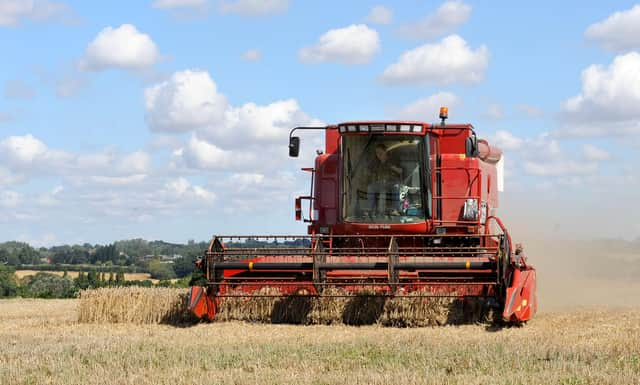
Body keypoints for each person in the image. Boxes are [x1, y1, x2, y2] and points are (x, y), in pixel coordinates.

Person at [366, 143, 402, 215]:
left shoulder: (393, 159)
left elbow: (401, 171)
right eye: (377, 153)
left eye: (380, 152)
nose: (378, 154)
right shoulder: (375, 161)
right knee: (370, 187)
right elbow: (368, 170)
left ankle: (396, 210)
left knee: (396, 187)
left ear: (385, 151)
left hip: (392, 182)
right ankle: (370, 209)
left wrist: (392, 167)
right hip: (380, 182)